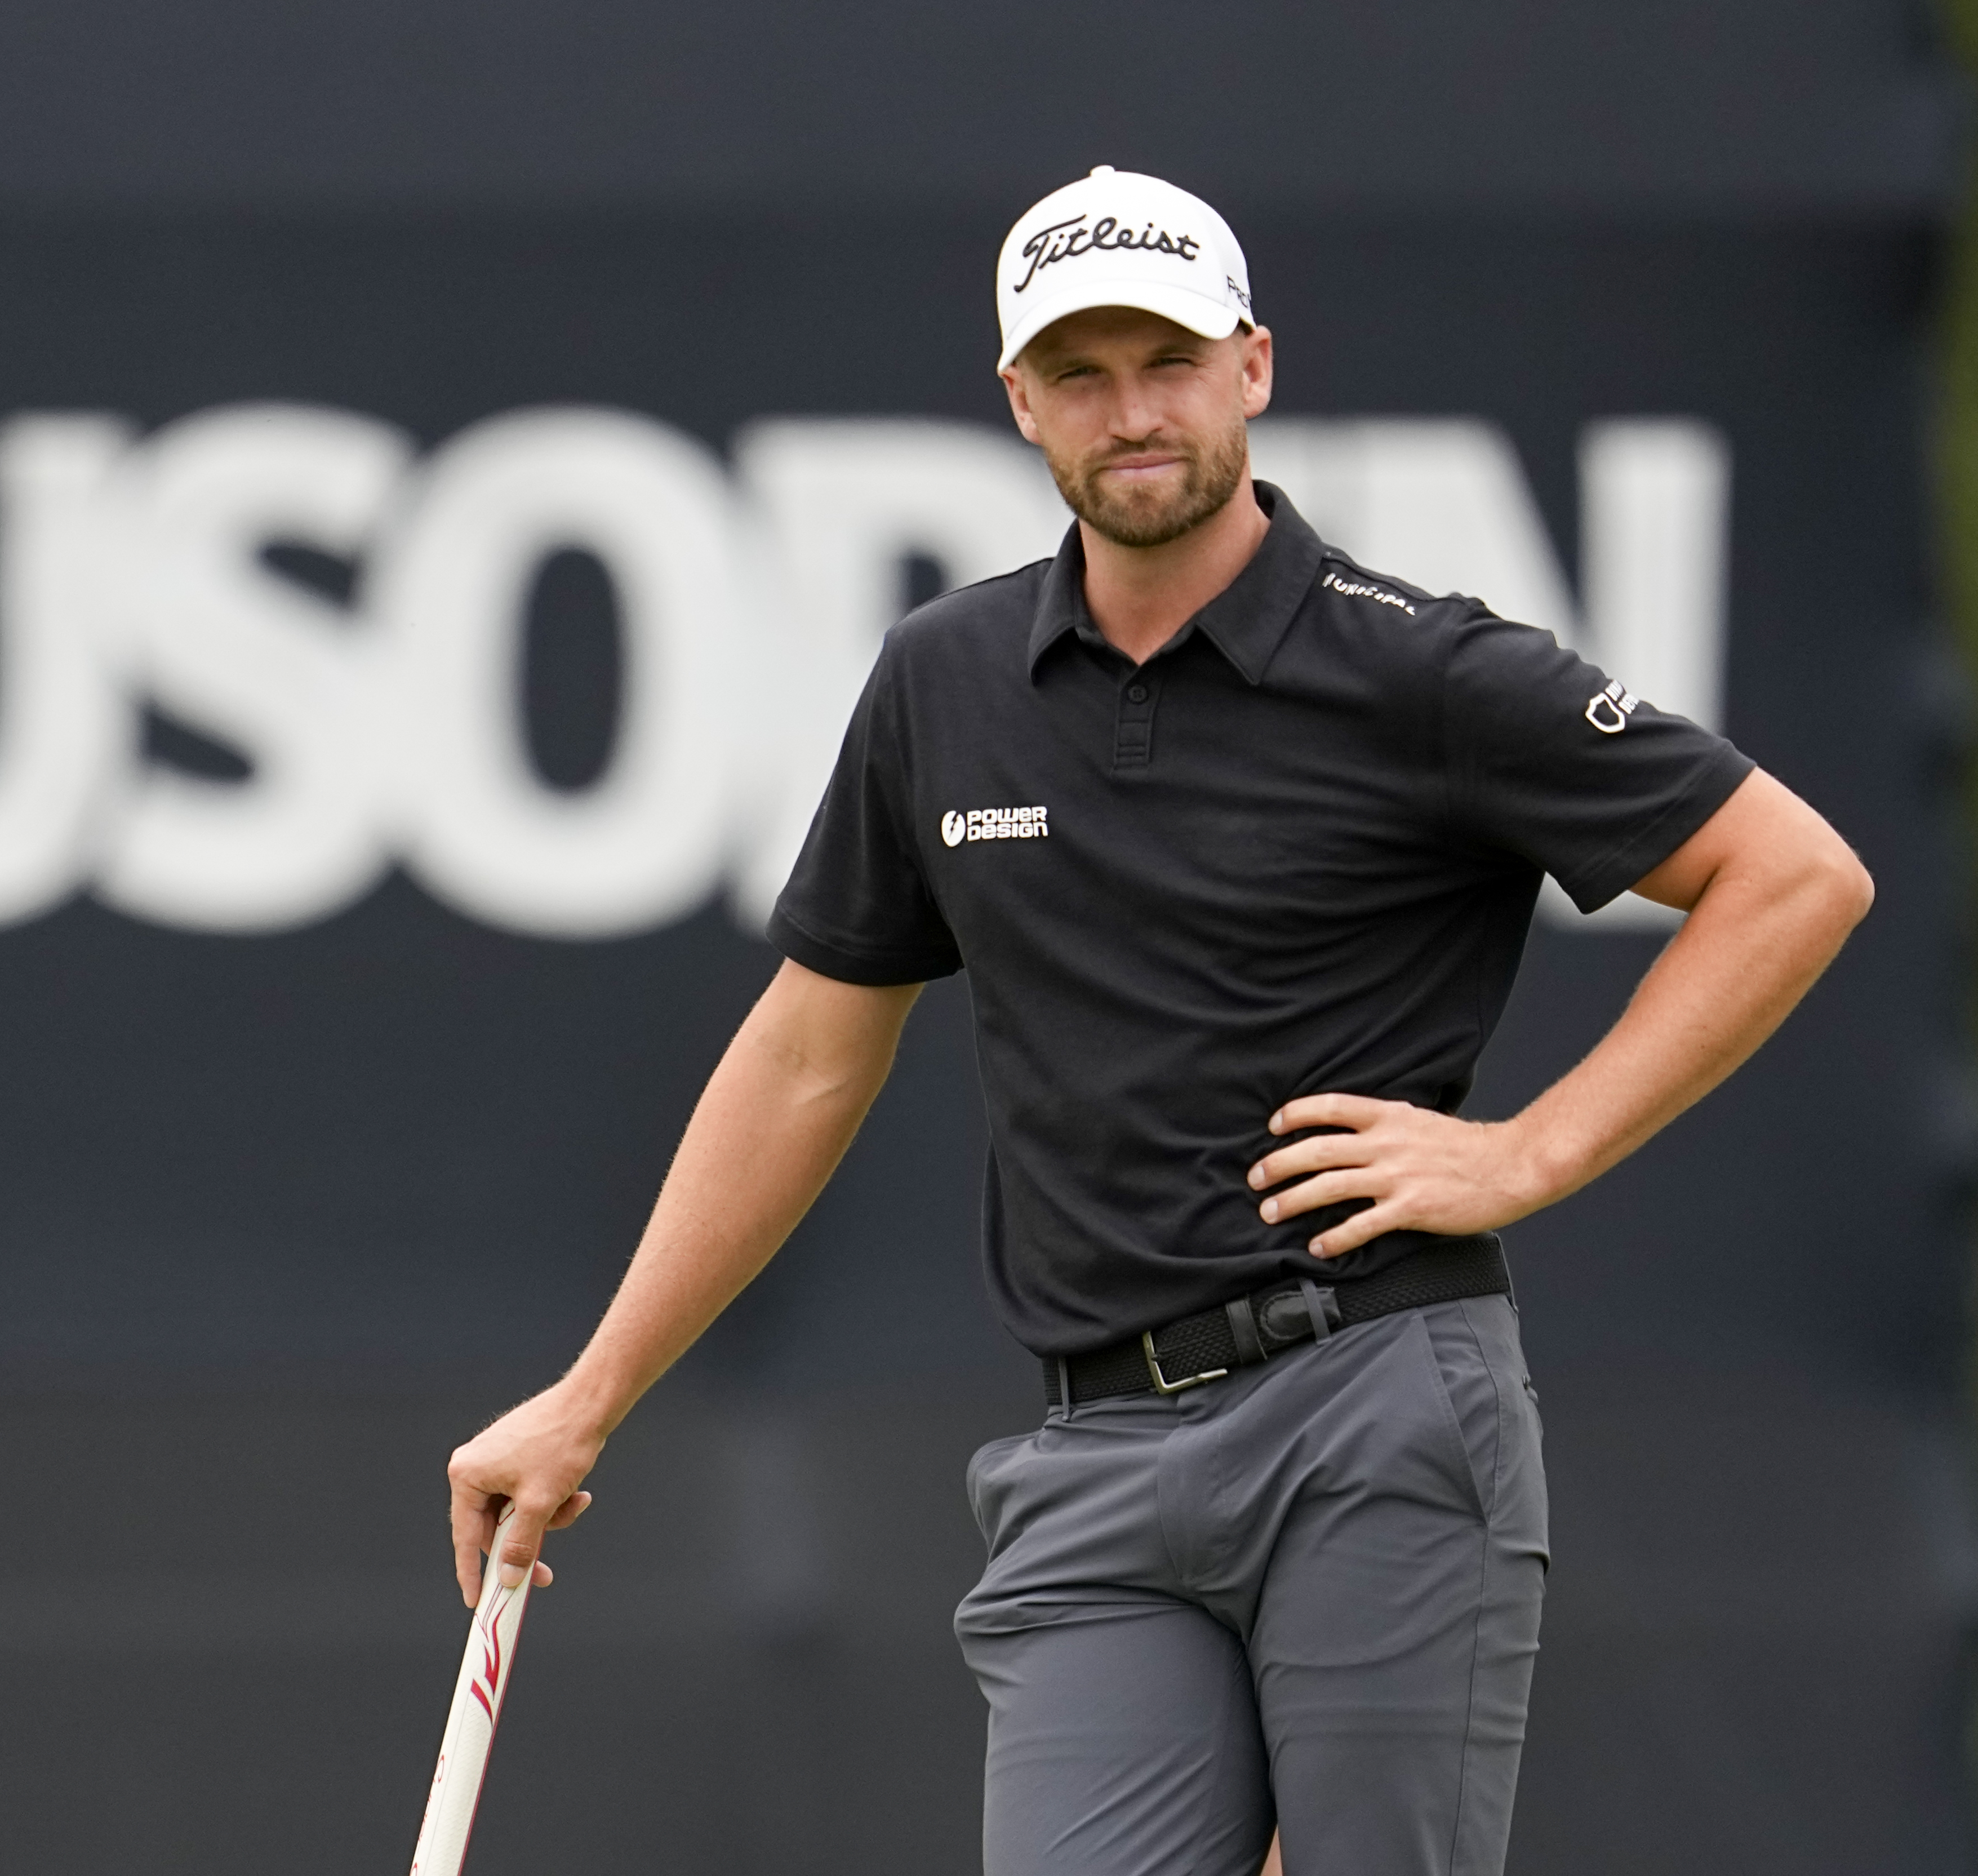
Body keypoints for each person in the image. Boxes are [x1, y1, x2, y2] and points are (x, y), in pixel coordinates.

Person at [442, 165, 1873, 1876]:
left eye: (1169, 362)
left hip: (1375, 1407)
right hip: (1092, 1460)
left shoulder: (1419, 669)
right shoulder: (944, 680)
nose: (1132, 412)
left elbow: (1792, 875)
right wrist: (589, 1394)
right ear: (1019, 403)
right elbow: (811, 1047)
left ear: (1251, 368)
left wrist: (1532, 1149)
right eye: (1082, 372)